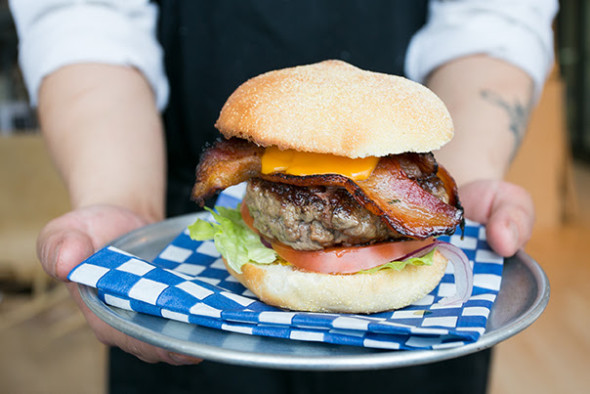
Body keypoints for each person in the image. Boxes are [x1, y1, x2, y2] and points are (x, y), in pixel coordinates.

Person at [9, 0, 558, 393]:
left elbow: (493, 18)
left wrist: (475, 168)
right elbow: (84, 19)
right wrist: (120, 196)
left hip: (414, 355)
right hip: (190, 306)